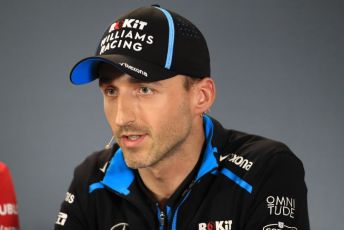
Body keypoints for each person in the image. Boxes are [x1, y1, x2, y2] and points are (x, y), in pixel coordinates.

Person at [55, 5, 310, 230]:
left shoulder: (265, 170)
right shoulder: (91, 179)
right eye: (111, 91)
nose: (121, 117)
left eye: (145, 89)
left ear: (201, 97)